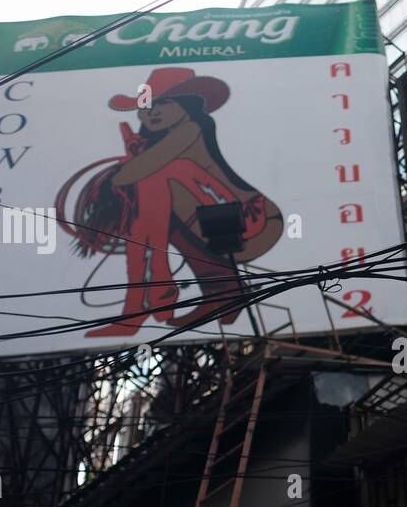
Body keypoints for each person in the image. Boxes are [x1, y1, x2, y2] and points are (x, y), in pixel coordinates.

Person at [56, 67, 283, 337]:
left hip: (246, 219)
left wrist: (130, 165)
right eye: (146, 106)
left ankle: (148, 300)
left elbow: (127, 176)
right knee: (152, 196)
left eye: (163, 102)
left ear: (188, 105)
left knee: (159, 178)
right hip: (207, 224)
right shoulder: (157, 140)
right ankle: (205, 294)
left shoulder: (191, 128)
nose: (151, 111)